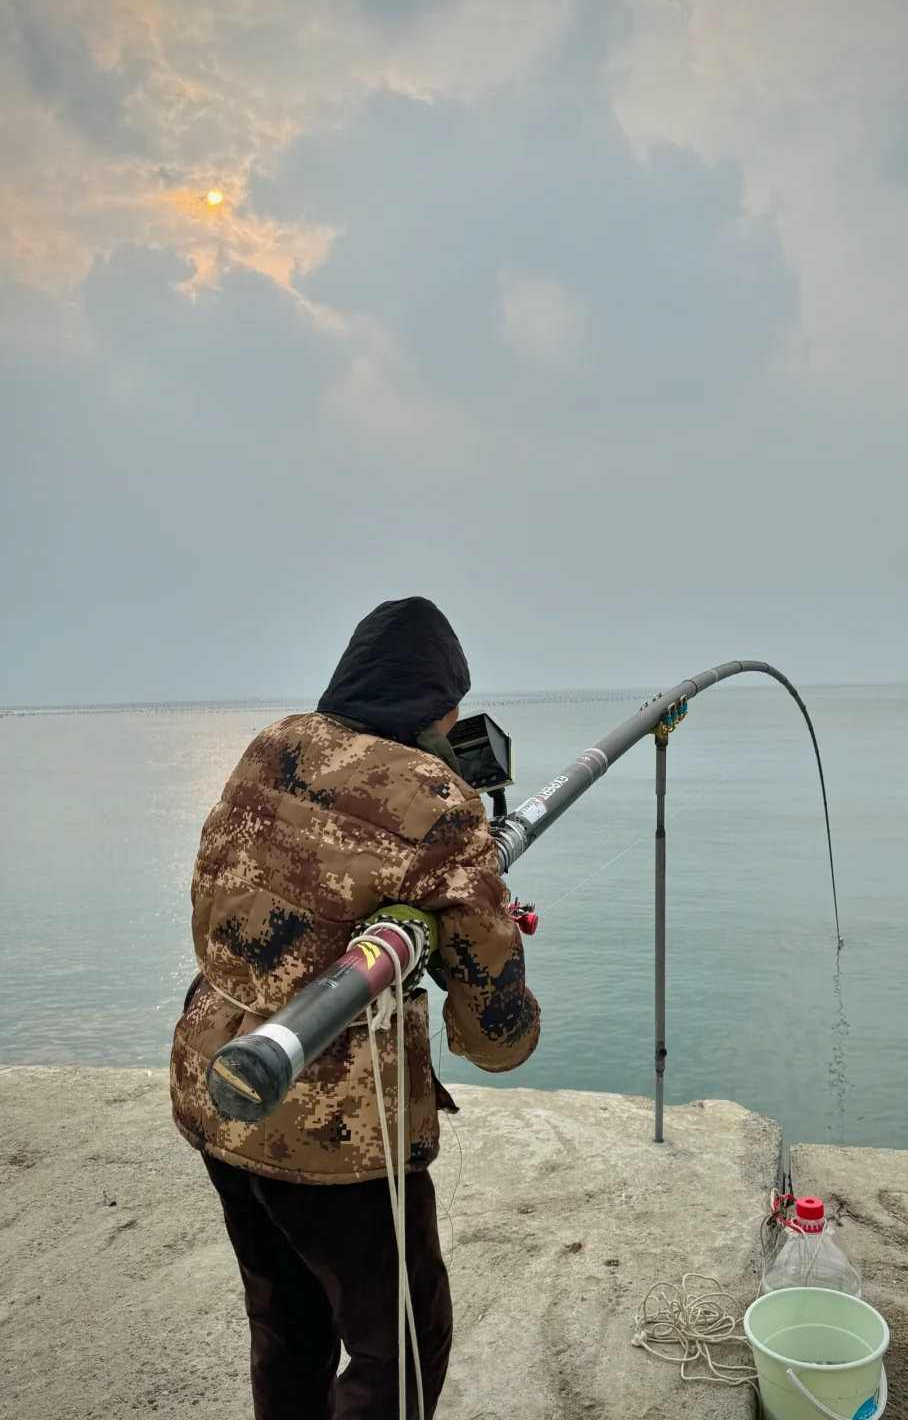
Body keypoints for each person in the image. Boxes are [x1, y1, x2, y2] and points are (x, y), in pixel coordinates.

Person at [170, 596, 541, 1419]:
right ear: (438, 703)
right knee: (400, 1344)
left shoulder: (271, 744)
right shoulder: (439, 798)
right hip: (334, 1129)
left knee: (285, 1320)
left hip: (216, 1082)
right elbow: (495, 1030)